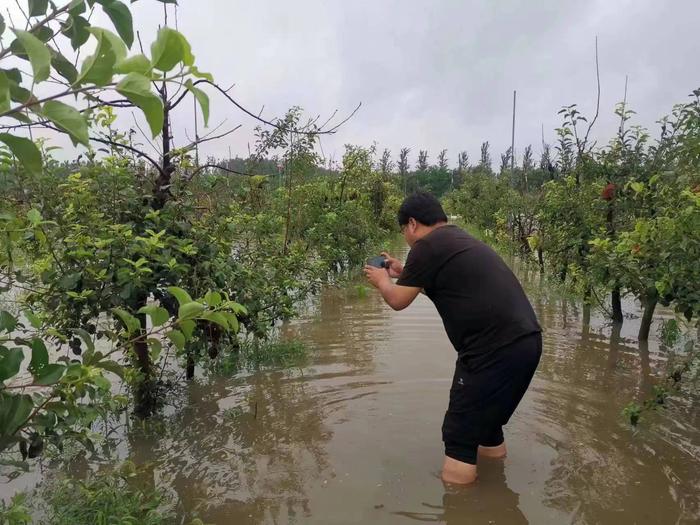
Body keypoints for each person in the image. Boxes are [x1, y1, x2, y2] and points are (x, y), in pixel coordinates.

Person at [363, 191, 542, 484]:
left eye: (403, 232)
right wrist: (401, 272)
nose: (407, 239)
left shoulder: (427, 245)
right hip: (527, 343)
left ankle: (464, 508)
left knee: (459, 435)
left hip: (491, 351)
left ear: (412, 224)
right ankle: (497, 493)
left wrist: (383, 281)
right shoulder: (455, 238)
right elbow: (436, 279)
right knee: (487, 426)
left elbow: (397, 301)